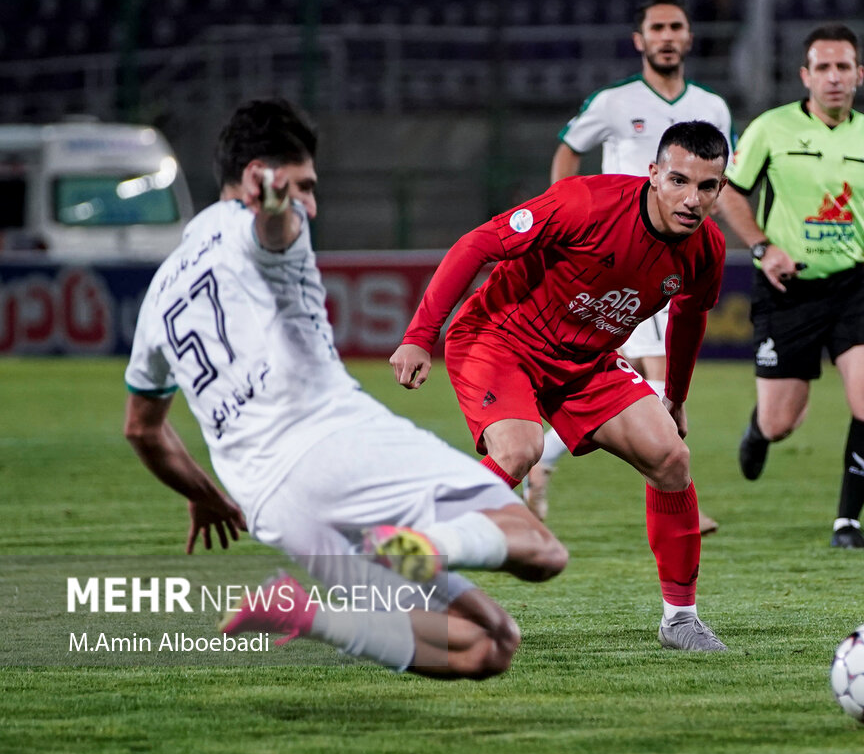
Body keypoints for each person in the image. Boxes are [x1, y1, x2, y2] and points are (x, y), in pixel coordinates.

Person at [123, 99, 567, 679]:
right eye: (304, 184)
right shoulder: (264, 222)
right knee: (541, 551)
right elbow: (274, 228)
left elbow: (142, 429)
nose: (311, 200)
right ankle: (426, 543)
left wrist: (206, 496)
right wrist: (277, 196)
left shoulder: (160, 292)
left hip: (270, 502)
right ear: (264, 174)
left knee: (490, 647)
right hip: (338, 444)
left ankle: (303, 616)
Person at [390, 121, 730, 651]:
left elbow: (689, 318)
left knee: (671, 457)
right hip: (501, 338)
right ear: (653, 174)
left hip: (586, 360)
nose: (691, 199)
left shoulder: (705, 249)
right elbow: (476, 244)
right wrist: (418, 336)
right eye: (679, 180)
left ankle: (680, 620)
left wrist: (677, 397)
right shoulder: (585, 204)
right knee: (519, 448)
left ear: (722, 189)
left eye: (707, 187)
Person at [715, 25, 864, 550]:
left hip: (851, 285)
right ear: (805, 76)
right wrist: (764, 248)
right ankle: (761, 430)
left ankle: (848, 523)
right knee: (783, 420)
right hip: (787, 288)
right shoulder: (771, 129)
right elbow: (729, 195)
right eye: (823, 68)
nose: (834, 78)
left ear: (858, 76)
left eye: (844, 68)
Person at [529, 0, 733, 533]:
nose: (668, 38)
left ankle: (546, 461)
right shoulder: (613, 103)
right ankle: (676, 485)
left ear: (690, 36)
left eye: (676, 28)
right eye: (658, 29)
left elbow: (720, 185)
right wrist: (559, 219)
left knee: (653, 386)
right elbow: (569, 148)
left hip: (680, 263)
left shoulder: (712, 109)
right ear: (639, 40)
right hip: (622, 261)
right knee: (656, 382)